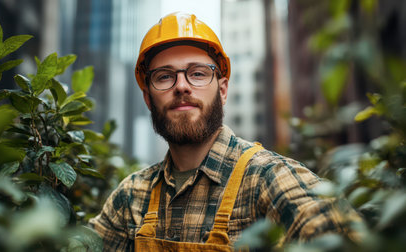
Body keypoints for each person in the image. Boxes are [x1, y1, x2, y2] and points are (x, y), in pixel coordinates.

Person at [89, 12, 358, 251]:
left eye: (197, 73)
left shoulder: (268, 179)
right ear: (148, 99)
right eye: (164, 76)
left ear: (223, 89)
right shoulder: (131, 196)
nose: (181, 86)